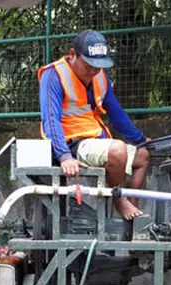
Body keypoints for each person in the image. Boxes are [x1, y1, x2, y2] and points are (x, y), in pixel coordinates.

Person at [38, 29, 150, 220]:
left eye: (97, 67)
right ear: (73, 54)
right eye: (88, 66)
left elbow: (116, 113)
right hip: (72, 143)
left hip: (96, 139)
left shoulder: (100, 76)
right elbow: (50, 120)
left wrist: (140, 139)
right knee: (118, 150)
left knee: (142, 156)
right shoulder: (53, 75)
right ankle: (118, 198)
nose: (93, 72)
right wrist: (65, 157)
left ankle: (132, 212)